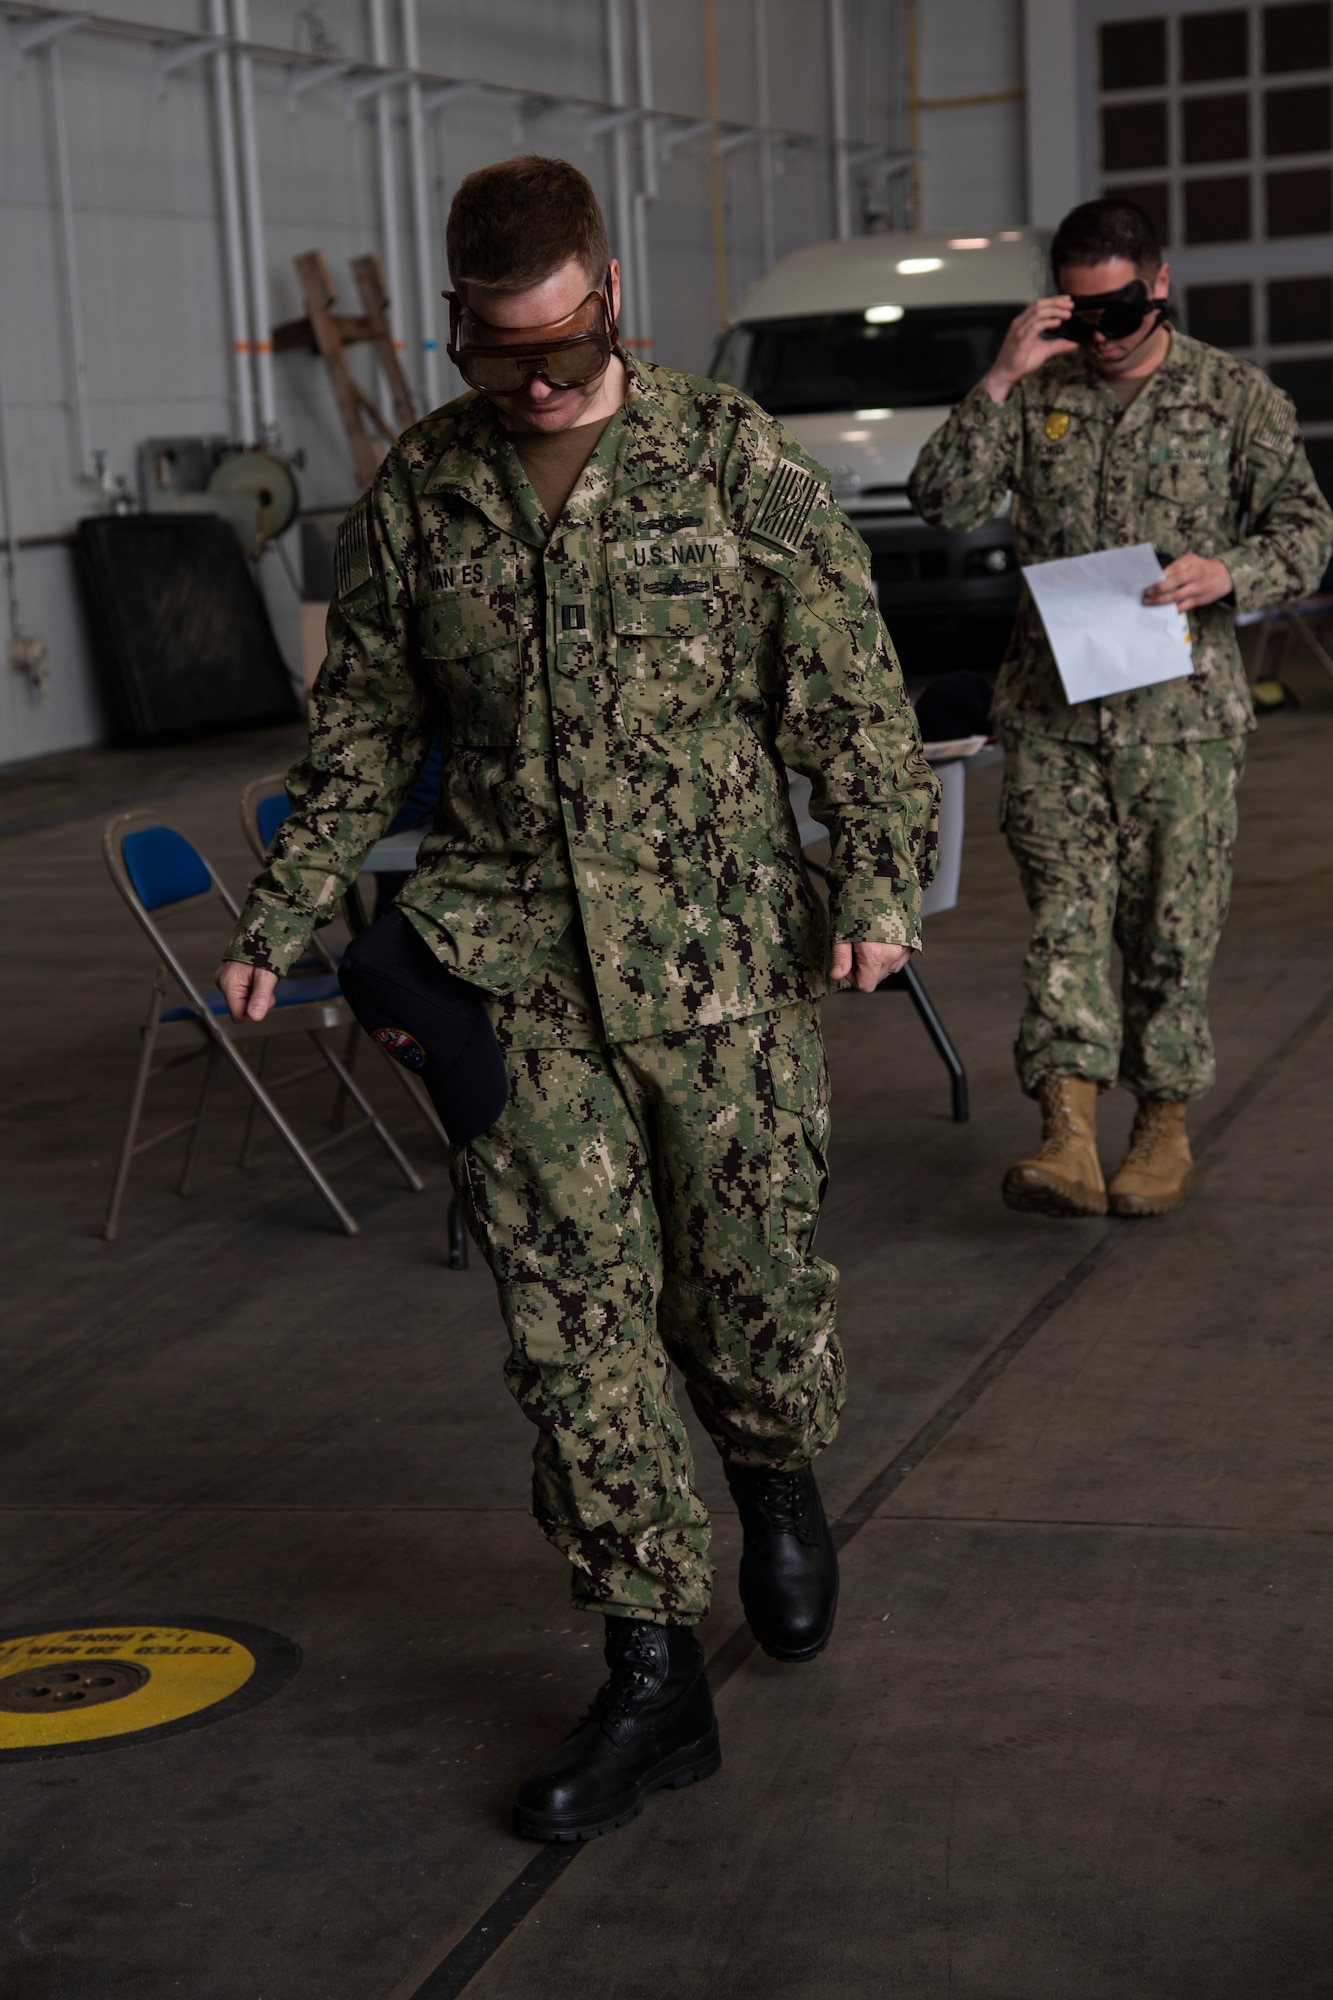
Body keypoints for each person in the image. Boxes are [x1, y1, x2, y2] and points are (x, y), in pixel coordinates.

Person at [217, 156, 938, 1841]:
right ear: (457, 323)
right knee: (569, 1328)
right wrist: (286, 905)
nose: (530, 386)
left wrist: (880, 884)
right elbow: (366, 730)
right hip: (508, 967)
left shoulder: (727, 460)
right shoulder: (421, 488)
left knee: (746, 1291)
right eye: (494, 356)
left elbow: (847, 693)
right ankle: (646, 1673)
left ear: (606, 293)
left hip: (718, 965)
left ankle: (769, 1471)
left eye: (554, 348)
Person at [910, 197, 1332, 1220]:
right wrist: (1002, 374)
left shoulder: (1234, 398)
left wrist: (1227, 571)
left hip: (1181, 723)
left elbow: (1308, 532)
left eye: (1122, 310)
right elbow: (941, 498)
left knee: (1169, 935)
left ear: (1161, 282)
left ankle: (1159, 1127)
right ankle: (1066, 1134)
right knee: (1063, 921)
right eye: (1082, 314)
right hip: (1051, 715)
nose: (1103, 335)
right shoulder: (1034, 390)